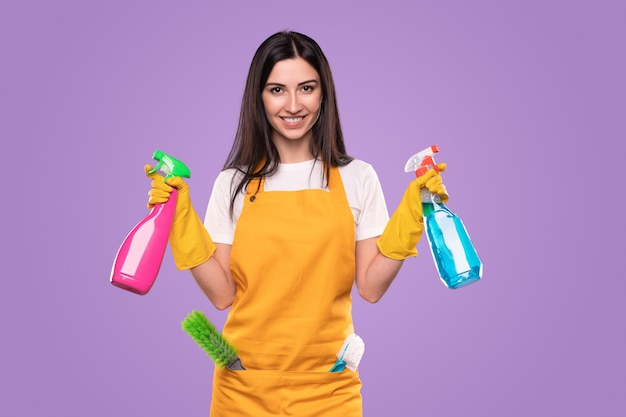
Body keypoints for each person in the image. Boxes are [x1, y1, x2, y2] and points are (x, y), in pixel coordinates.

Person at [146, 31, 448, 417]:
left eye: (306, 88)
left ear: (324, 94)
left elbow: (371, 288)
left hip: (329, 389)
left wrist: (413, 213)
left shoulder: (358, 176)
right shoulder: (232, 182)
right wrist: (180, 217)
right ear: (259, 97)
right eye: (277, 90)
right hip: (244, 389)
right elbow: (222, 295)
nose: (292, 104)